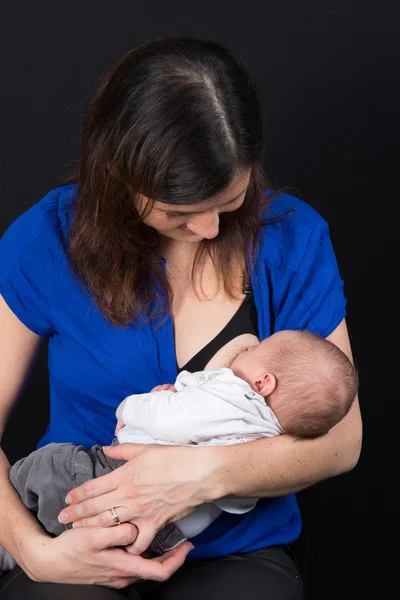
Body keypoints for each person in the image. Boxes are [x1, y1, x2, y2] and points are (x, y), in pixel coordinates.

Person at [0, 36, 362, 600]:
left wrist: (198, 478)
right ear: (119, 173)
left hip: (233, 549)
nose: (213, 230)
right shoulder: (45, 239)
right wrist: (36, 553)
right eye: (181, 214)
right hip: (76, 527)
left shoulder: (294, 237)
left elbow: (343, 440)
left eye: (229, 201)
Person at [0, 328, 359, 572]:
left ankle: (12, 546)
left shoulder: (236, 397)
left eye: (256, 349)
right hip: (165, 538)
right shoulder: (267, 440)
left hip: (108, 480)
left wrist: (133, 408)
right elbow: (239, 497)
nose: (250, 346)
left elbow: (172, 422)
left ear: (264, 382)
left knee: (50, 466)